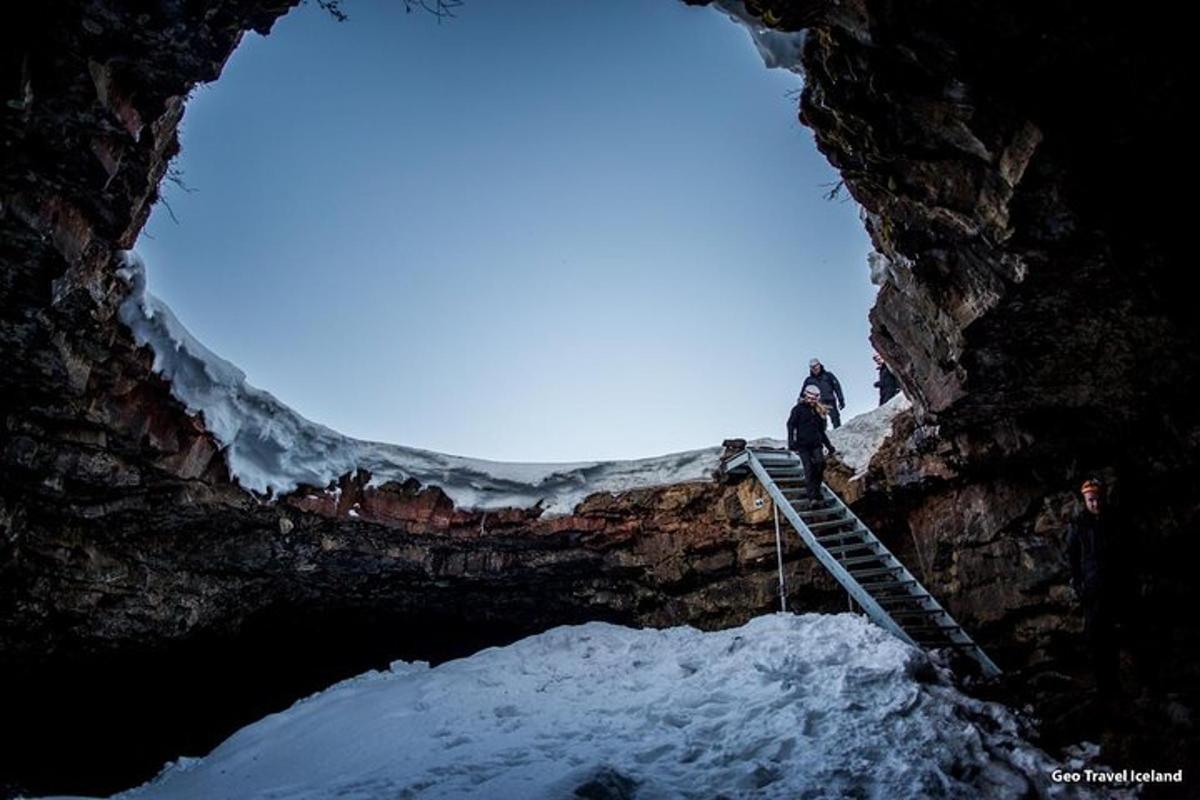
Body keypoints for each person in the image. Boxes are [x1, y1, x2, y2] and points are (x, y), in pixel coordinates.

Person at [1066, 478, 1122, 697]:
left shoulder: (1112, 521)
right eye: (1091, 500)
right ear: (1085, 500)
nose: (1095, 504)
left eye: (1097, 499)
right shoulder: (1079, 524)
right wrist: (1079, 584)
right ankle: (1102, 685)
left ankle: (1116, 683)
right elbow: (1071, 557)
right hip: (1092, 589)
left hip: (1114, 586)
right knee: (1096, 637)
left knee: (1115, 635)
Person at [786, 385, 837, 504]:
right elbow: (790, 425)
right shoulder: (798, 409)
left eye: (815, 399)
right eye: (811, 398)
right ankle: (812, 497)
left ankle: (816, 489)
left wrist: (829, 446)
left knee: (820, 464)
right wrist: (791, 442)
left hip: (816, 444)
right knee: (808, 469)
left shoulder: (817, 412)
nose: (813, 401)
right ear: (806, 396)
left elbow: (821, 431)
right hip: (803, 445)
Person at [802, 358, 846, 428]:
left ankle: (838, 433)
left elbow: (837, 387)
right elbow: (803, 393)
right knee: (819, 421)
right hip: (818, 403)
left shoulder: (828, 376)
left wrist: (841, 399)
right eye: (812, 368)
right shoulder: (809, 380)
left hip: (830, 401)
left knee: (835, 419)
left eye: (816, 366)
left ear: (819, 366)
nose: (815, 369)